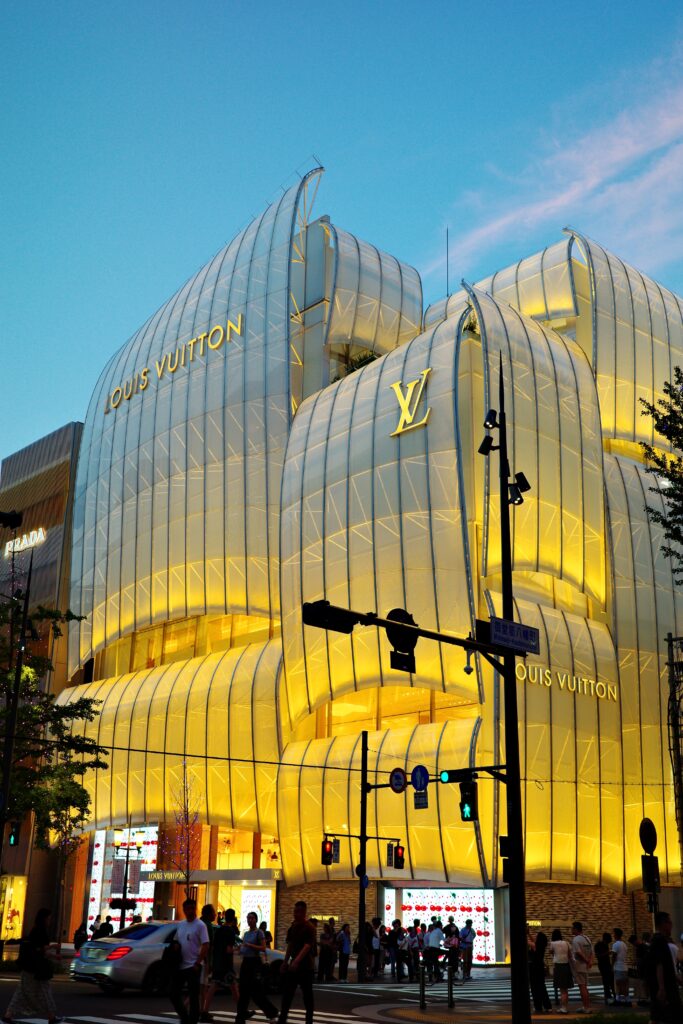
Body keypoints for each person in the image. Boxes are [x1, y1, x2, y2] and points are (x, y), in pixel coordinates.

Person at [2, 908, 61, 1024]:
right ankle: (51, 1017)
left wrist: (53, 955)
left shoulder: (35, 930)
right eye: (49, 918)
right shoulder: (40, 931)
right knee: (44, 991)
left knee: (23, 991)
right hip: (36, 968)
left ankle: (8, 1015)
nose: (50, 920)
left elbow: (38, 949)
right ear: (44, 918)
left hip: (30, 966)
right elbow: (40, 949)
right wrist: (53, 948)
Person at [169, 898, 210, 1024]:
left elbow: (206, 945)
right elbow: (176, 940)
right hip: (181, 965)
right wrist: (175, 946)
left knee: (193, 995)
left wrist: (198, 962)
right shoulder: (181, 924)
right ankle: (184, 1017)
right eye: (188, 909)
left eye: (192, 908)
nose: (190, 911)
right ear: (184, 910)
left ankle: (192, 1020)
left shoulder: (200, 925)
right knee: (173, 993)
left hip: (193, 965)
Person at [235, 911, 278, 1024]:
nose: (250, 920)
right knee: (243, 990)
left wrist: (250, 945)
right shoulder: (246, 933)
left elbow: (263, 948)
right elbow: (244, 949)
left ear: (256, 920)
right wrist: (240, 949)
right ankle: (240, 1017)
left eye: (252, 918)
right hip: (246, 962)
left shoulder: (259, 932)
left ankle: (272, 1013)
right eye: (248, 918)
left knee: (256, 992)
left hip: (255, 964)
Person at [278, 900, 316, 1024]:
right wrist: (285, 962)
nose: (295, 914)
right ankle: (282, 1019)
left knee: (307, 995)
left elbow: (307, 946)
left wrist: (296, 961)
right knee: (287, 994)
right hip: (293, 966)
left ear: (304, 912)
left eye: (298, 911)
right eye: (294, 911)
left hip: (306, 967)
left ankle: (309, 1021)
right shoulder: (293, 926)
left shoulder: (309, 927)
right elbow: (290, 945)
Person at [646, 911, 683, 1023]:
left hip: (664, 987)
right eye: (670, 923)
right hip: (667, 989)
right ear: (663, 924)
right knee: (670, 1016)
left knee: (658, 1016)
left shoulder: (656, 940)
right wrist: (662, 988)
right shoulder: (659, 940)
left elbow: (665, 966)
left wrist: (677, 979)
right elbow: (659, 964)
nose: (671, 925)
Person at [199, 904, 217, 1022]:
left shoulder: (198, 923)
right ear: (209, 914)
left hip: (194, 958)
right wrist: (210, 962)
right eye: (214, 912)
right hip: (203, 960)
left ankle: (202, 1011)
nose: (215, 915)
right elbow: (209, 946)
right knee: (202, 987)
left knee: (199, 987)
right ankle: (202, 1012)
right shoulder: (208, 926)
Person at [550, 928, 573, 1014]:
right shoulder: (566, 943)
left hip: (558, 966)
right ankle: (565, 1007)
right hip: (566, 966)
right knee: (565, 989)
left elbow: (551, 952)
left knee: (562, 990)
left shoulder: (552, 943)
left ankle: (564, 1008)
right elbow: (570, 955)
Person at [570, 921, 592, 1013]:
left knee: (582, 987)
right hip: (585, 966)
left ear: (576, 929)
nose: (571, 930)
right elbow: (591, 952)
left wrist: (586, 961)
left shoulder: (576, 940)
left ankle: (586, 1008)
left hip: (579, 966)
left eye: (572, 928)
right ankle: (586, 1006)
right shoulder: (587, 938)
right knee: (585, 987)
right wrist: (589, 962)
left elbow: (578, 953)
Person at [528, 930, 551, 1014]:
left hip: (534, 969)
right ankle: (547, 1006)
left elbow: (528, 942)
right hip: (540, 968)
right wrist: (528, 933)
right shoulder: (541, 946)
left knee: (535, 989)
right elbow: (533, 940)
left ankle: (538, 1007)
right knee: (542, 988)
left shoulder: (535, 946)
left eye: (536, 936)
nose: (535, 936)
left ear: (539, 939)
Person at [594, 932, 615, 1004]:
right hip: (603, 966)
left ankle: (613, 996)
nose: (611, 939)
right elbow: (598, 956)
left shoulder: (606, 945)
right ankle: (608, 997)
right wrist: (607, 953)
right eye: (610, 938)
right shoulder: (599, 945)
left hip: (607, 965)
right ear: (606, 938)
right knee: (606, 982)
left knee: (611, 981)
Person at [611, 927, 629, 1005]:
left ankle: (618, 1000)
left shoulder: (615, 944)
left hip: (618, 967)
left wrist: (612, 965)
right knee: (624, 984)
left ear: (616, 935)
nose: (613, 935)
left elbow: (614, 956)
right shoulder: (624, 944)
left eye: (614, 933)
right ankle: (627, 1000)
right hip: (625, 967)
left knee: (618, 984)